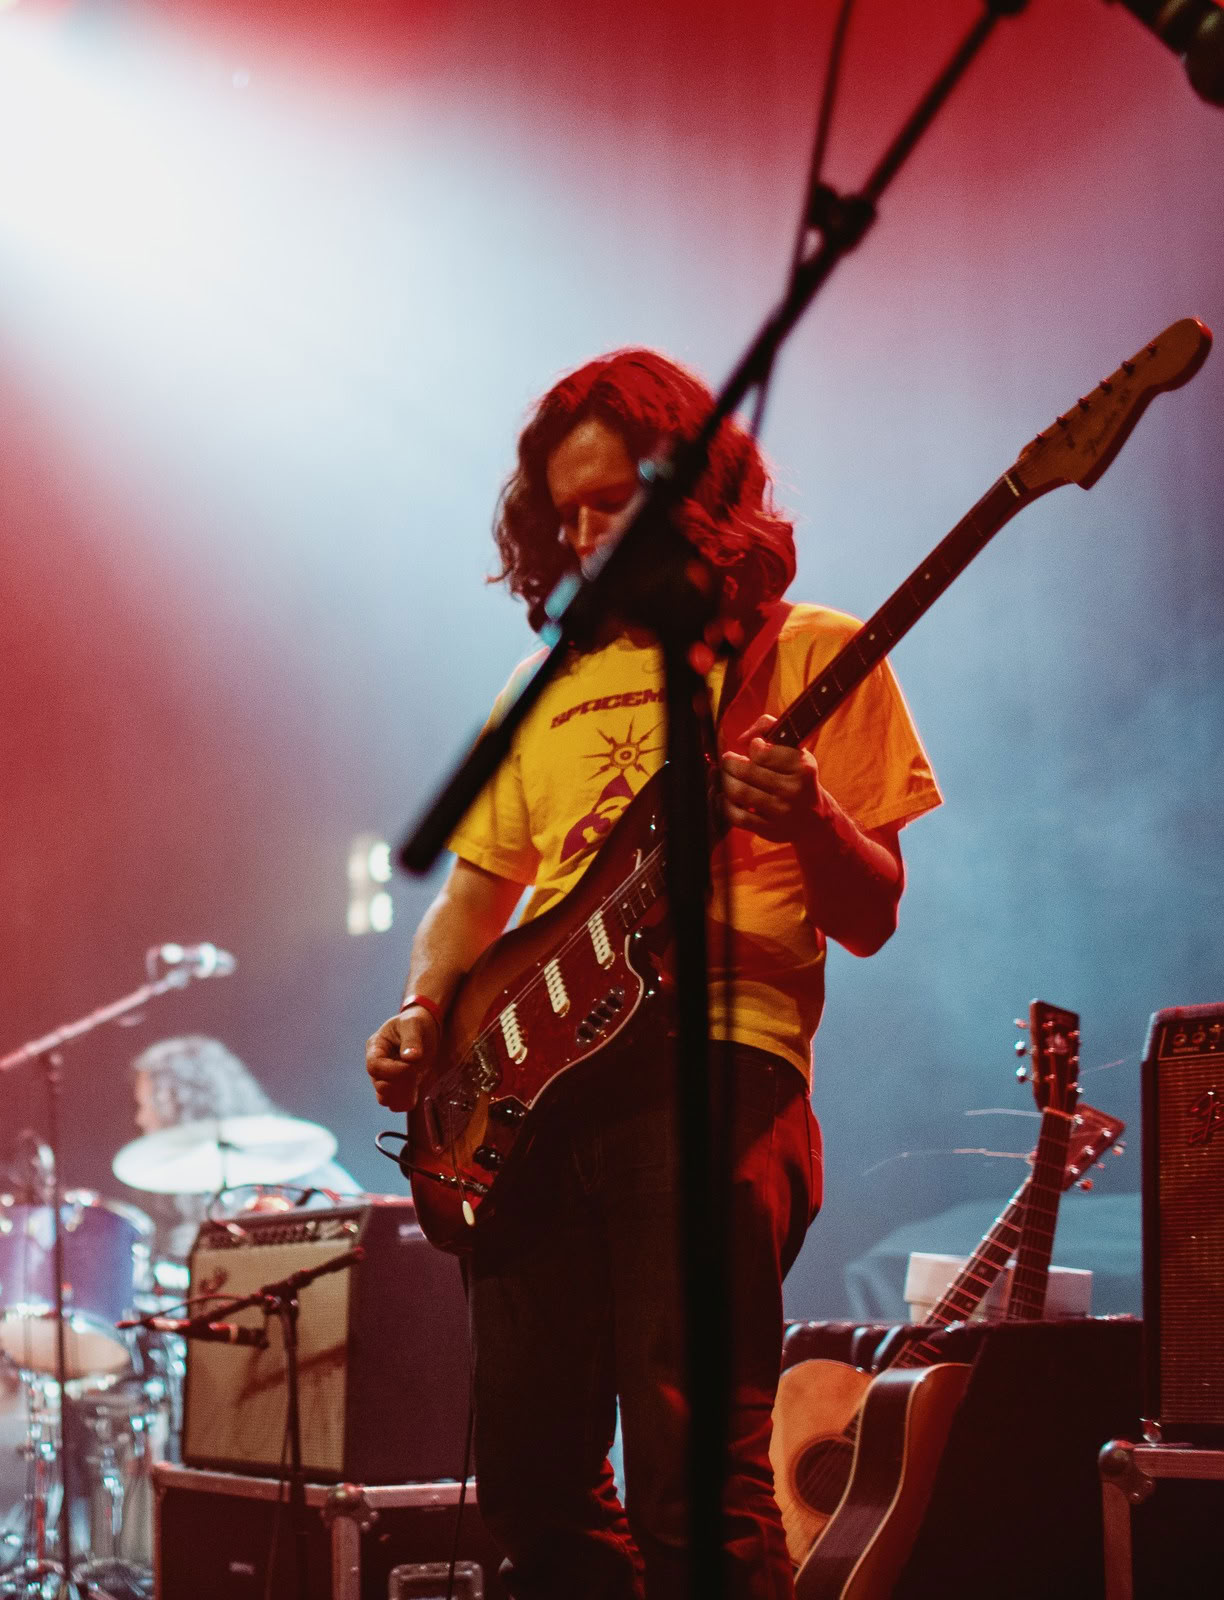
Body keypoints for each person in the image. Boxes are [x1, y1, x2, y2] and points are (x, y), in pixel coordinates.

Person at [362, 349, 940, 1600]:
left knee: (695, 1477)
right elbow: (472, 901)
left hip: (717, 1068)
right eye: (561, 512)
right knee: (530, 1485)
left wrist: (811, 821)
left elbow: (876, 911)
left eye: (610, 502)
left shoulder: (813, 653)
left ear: (691, 495)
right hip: (527, 1099)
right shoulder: (539, 688)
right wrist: (421, 1014)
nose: (581, 534)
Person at [127, 1034, 362, 1263]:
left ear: (175, 1102)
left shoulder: (295, 1168)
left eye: (146, 1104)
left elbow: (349, 1236)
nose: (140, 1118)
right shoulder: (209, 1187)